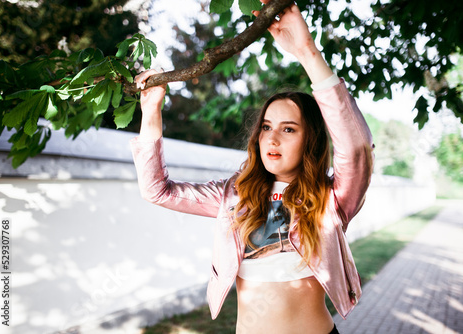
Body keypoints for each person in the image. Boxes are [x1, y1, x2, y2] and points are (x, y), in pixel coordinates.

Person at [130, 1, 374, 333]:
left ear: (311, 141)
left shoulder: (332, 197)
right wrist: (152, 111)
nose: (273, 138)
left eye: (289, 129)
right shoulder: (233, 195)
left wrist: (306, 51)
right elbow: (156, 190)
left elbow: (356, 147)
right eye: (266, 127)